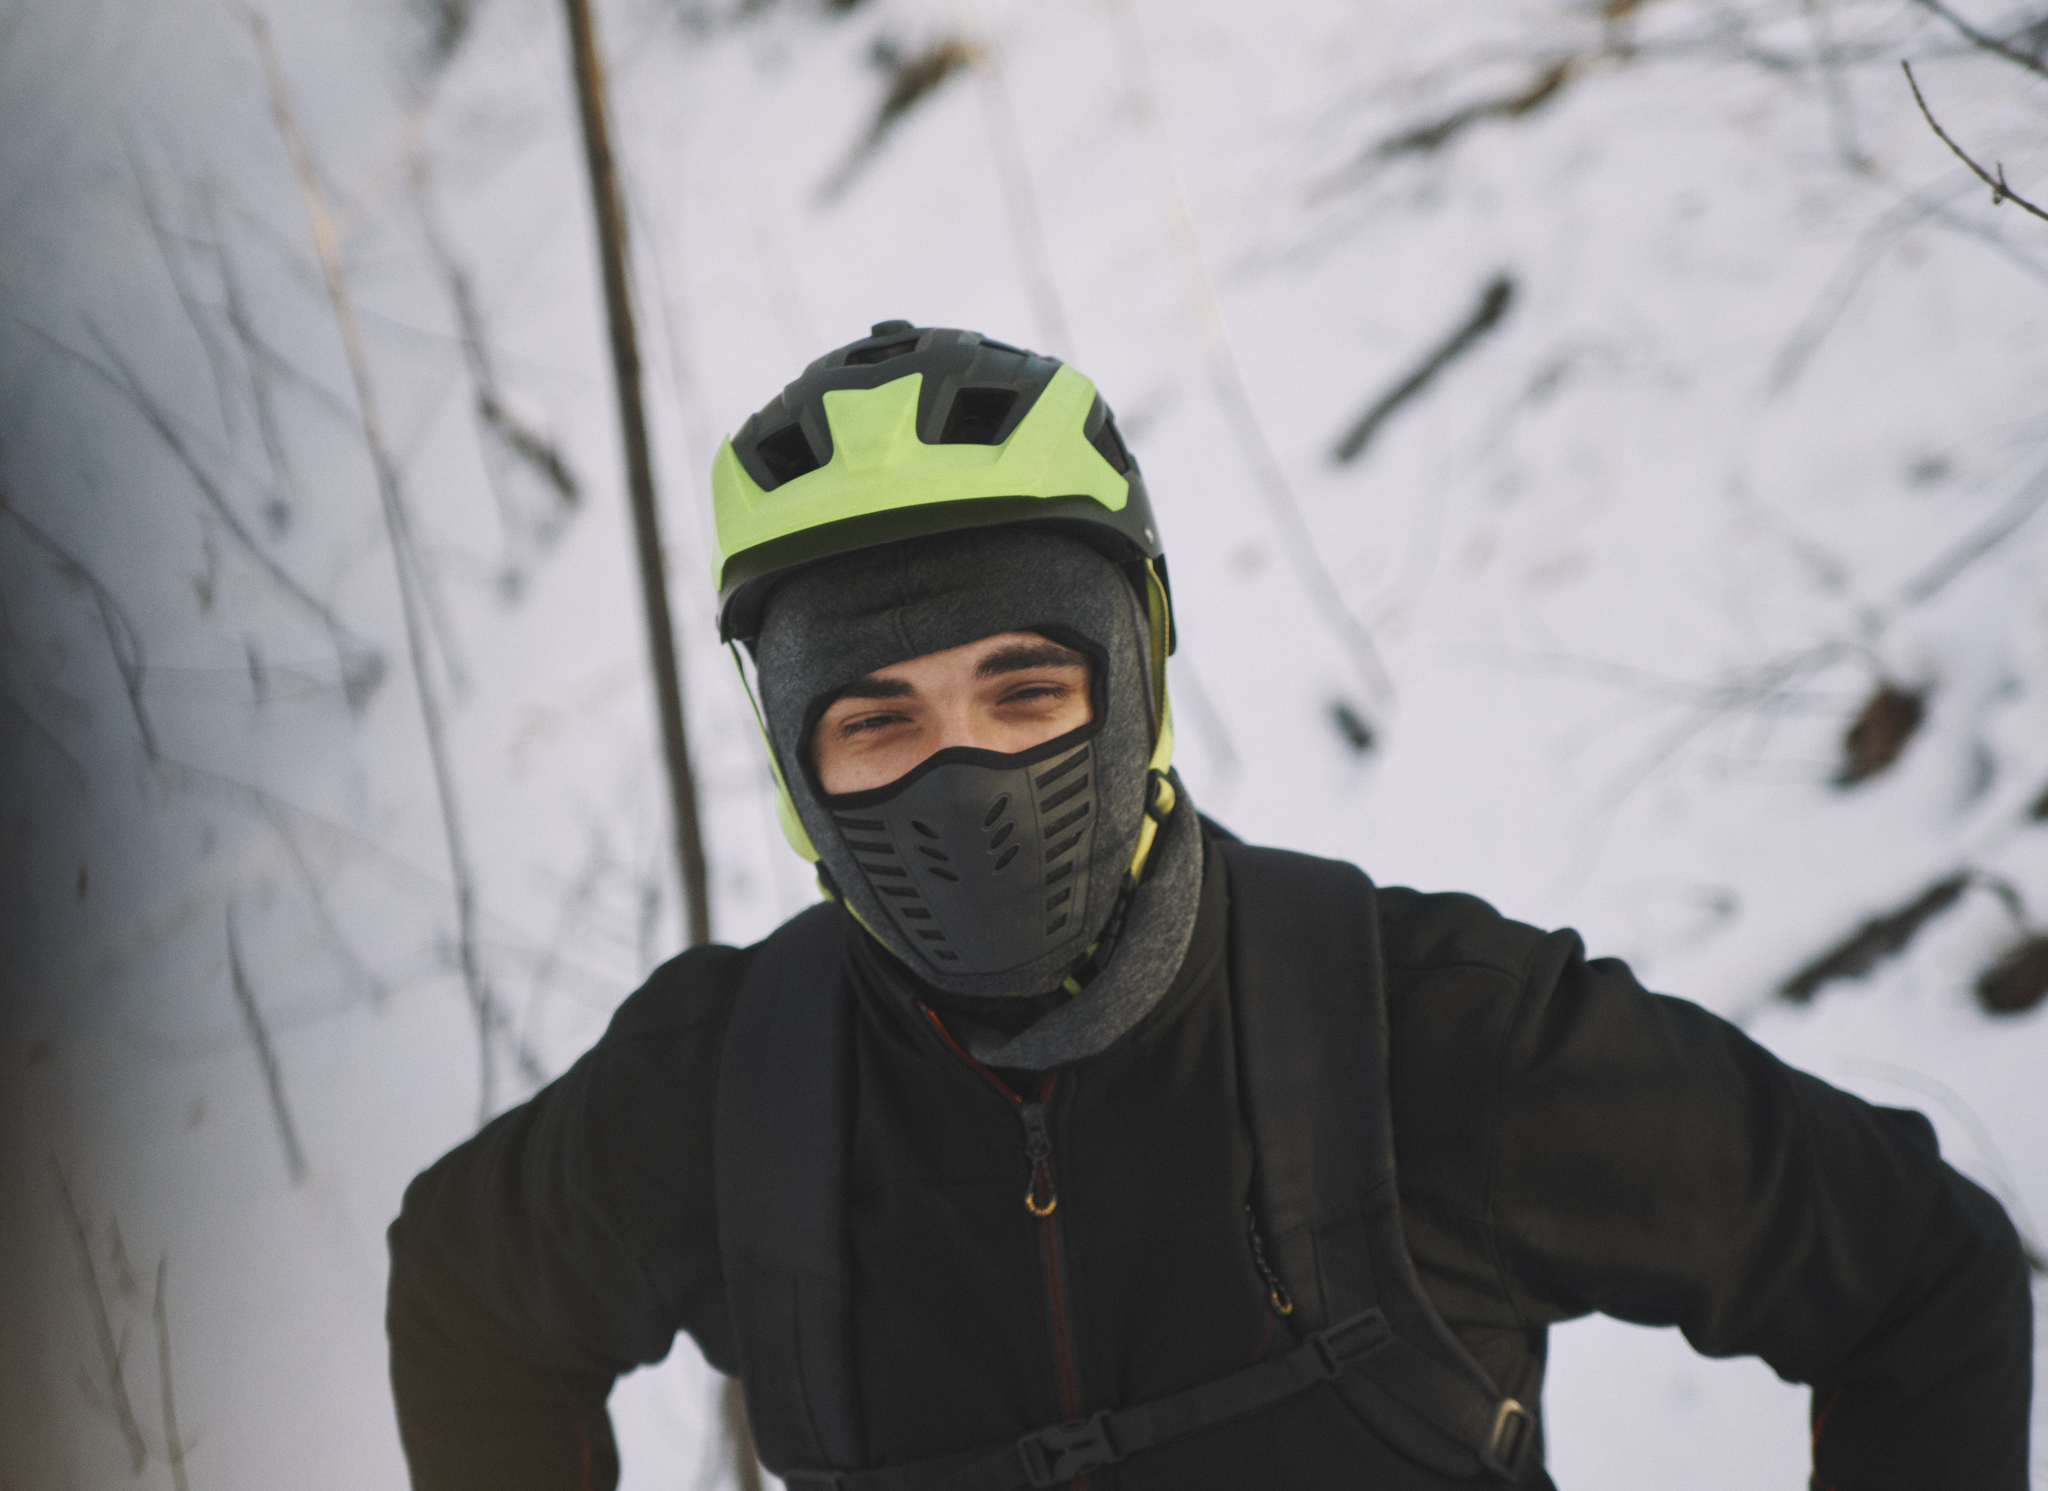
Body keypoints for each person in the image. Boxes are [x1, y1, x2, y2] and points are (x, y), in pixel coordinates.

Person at [387, 322, 2034, 1490]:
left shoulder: (1428, 1033)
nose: (961, 781)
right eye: (877, 720)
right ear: (794, 765)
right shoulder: (729, 1094)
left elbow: (1917, 1281)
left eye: (1025, 690)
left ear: (1138, 681)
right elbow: (469, 1293)